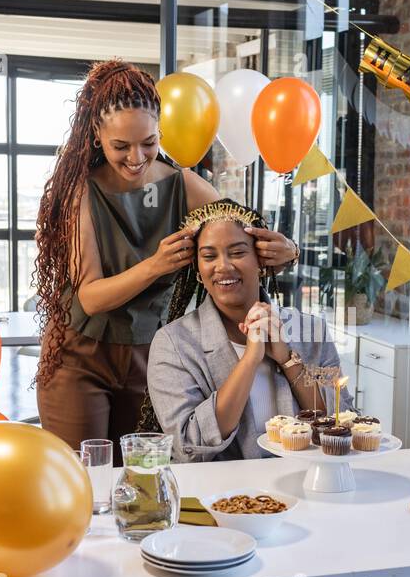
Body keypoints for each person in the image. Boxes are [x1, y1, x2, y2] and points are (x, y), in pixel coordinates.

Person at [33, 59, 300, 455]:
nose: (136, 157)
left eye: (148, 142)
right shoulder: (81, 194)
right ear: (96, 135)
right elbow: (90, 298)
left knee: (142, 475)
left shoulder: (184, 186)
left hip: (150, 357)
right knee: (81, 478)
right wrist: (155, 265)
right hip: (80, 359)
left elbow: (240, 238)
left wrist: (287, 250)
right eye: (121, 146)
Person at [145, 200, 353, 462]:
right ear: (198, 269)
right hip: (220, 487)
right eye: (209, 256)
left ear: (261, 261)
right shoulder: (174, 343)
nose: (223, 266)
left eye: (237, 252)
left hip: (304, 480)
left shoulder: (311, 331)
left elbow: (341, 424)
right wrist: (250, 359)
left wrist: (288, 360)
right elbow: (187, 446)